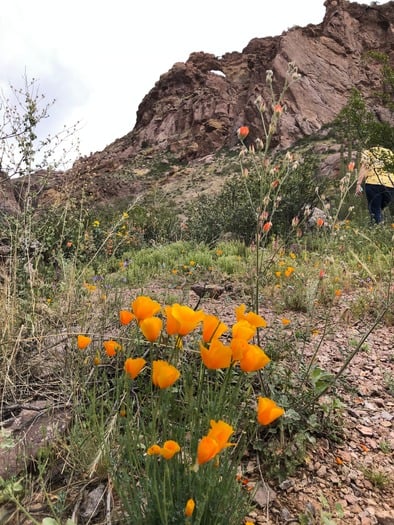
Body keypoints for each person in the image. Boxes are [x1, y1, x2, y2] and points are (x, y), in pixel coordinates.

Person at [355, 146, 394, 224]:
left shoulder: (368, 152)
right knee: (380, 209)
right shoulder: (390, 153)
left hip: (373, 184)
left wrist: (358, 184)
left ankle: (376, 229)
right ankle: (381, 227)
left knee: (375, 209)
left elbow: (364, 167)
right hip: (390, 185)